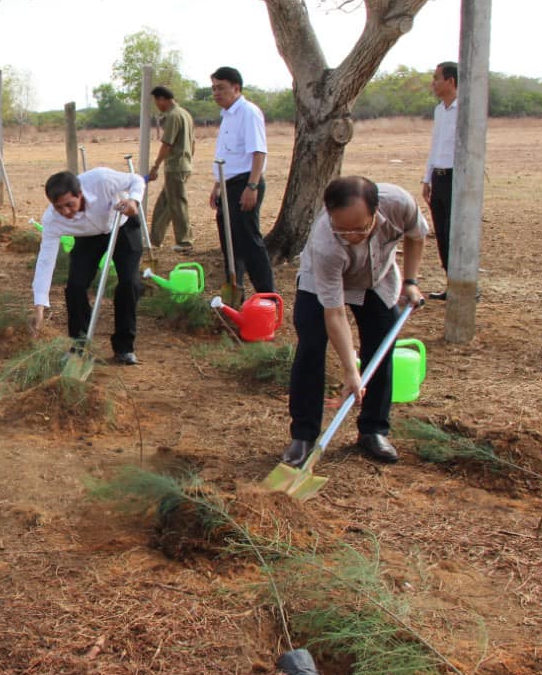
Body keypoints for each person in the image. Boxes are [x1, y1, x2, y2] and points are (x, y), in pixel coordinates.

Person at [283, 176, 426, 467]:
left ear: (376, 211)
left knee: (383, 344)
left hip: (377, 278)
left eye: (360, 229)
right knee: (311, 346)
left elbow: (417, 235)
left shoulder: (400, 204)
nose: (351, 237)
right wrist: (350, 371)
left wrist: (410, 281)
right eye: (342, 229)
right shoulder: (326, 243)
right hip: (322, 281)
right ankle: (303, 436)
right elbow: (334, 314)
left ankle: (373, 430)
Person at [31, 168, 146, 364]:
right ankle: (80, 346)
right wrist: (39, 304)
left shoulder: (101, 180)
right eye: (59, 207)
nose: (65, 212)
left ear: (80, 194)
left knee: (129, 283)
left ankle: (124, 348)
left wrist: (133, 201)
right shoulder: (52, 220)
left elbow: (136, 179)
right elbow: (45, 260)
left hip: (121, 225)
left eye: (70, 204)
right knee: (75, 286)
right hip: (88, 238)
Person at [208, 66, 275, 293]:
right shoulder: (227, 116)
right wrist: (217, 185)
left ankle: (267, 295)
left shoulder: (248, 112)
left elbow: (259, 152)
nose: (216, 93)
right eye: (214, 88)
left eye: (221, 88)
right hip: (227, 185)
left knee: (250, 242)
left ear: (236, 88)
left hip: (245, 183)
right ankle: (235, 292)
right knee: (229, 243)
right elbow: (226, 154)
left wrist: (252, 186)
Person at [422, 61, 458, 301]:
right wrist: (427, 179)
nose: (433, 83)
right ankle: (450, 284)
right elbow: (435, 146)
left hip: (457, 178)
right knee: (442, 234)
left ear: (451, 81)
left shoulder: (465, 109)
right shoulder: (439, 110)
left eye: (437, 78)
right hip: (439, 176)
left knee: (455, 232)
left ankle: (464, 285)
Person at [146, 86, 195, 252]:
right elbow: (193, 143)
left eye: (156, 101)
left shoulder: (174, 116)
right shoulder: (185, 114)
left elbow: (167, 144)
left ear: (162, 99)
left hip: (175, 166)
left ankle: (185, 242)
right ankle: (154, 239)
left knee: (177, 204)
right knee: (164, 203)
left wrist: (155, 166)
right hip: (183, 165)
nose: (157, 105)